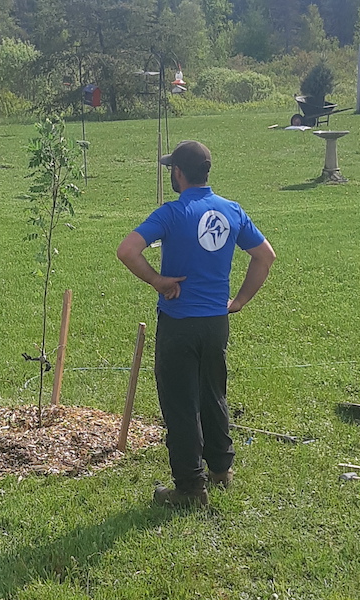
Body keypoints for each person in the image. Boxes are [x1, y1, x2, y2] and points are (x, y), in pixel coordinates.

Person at [117, 140, 276, 508]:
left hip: (179, 324)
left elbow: (127, 250)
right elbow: (265, 256)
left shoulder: (171, 213)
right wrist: (238, 302)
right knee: (213, 393)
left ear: (178, 173)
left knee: (180, 404)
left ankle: (190, 489)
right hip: (216, 323)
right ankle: (222, 470)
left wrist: (158, 281)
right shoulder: (232, 211)